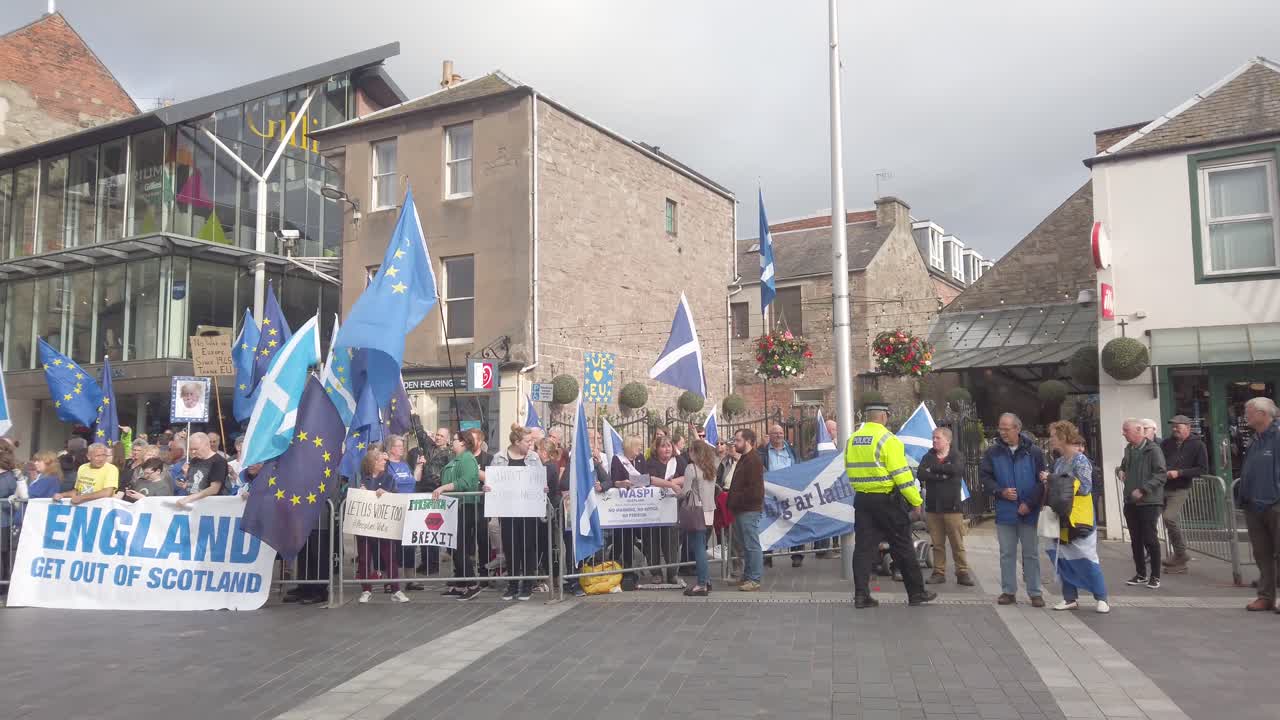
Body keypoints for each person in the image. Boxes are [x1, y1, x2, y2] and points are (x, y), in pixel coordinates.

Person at [847, 403, 934, 608]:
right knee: (903, 547)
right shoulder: (888, 439)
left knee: (863, 549)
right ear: (884, 416)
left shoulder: (852, 440)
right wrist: (916, 502)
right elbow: (902, 476)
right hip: (887, 501)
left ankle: (861, 595)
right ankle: (916, 593)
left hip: (862, 500)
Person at [1041, 421, 1109, 613]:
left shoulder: (1080, 460)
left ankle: (1101, 597)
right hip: (1062, 516)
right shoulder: (1060, 461)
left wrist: (1054, 479)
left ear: (1062, 437)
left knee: (1086, 556)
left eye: (1053, 436)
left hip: (1079, 516)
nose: (1051, 439)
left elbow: (1086, 487)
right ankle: (1069, 597)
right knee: (1062, 556)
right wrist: (1049, 480)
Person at [979, 412, 1045, 607]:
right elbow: (985, 478)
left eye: (1006, 429)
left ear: (1017, 428)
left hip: (1029, 512)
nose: (1003, 432)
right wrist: (1000, 492)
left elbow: (1041, 481)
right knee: (1006, 553)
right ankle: (1008, 591)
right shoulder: (993, 452)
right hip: (1005, 511)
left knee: (1031, 553)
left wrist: (1030, 504)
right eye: (1000, 428)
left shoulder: (1034, 452)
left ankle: (1035, 592)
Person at [434, 429, 489, 601]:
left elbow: (465, 482)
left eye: (455, 440)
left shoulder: (467, 459)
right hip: (455, 507)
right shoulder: (457, 459)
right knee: (455, 547)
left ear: (464, 443)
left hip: (465, 507)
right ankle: (460, 584)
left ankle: (472, 584)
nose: (453, 442)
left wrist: (443, 488)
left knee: (460, 548)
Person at [491, 424, 544, 601]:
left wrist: (542, 487)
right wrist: (488, 487)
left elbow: (539, 480)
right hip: (508, 510)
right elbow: (493, 481)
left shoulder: (534, 458)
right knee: (510, 546)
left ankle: (527, 584)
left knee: (527, 547)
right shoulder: (499, 458)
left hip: (528, 509)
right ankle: (513, 584)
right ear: (516, 441)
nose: (530, 444)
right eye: (527, 441)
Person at [1238, 397, 1280, 612]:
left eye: (1250, 412)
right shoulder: (1256, 439)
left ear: (1263, 414)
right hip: (1254, 505)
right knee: (1262, 553)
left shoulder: (1277, 436)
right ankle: (1265, 596)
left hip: (1275, 503)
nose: (1246, 416)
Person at [918, 426, 973, 586]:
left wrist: (934, 471)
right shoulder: (928, 456)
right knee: (937, 542)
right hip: (933, 507)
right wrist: (943, 474)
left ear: (947, 440)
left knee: (957, 542)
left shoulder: (957, 456)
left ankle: (962, 572)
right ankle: (938, 572)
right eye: (933, 438)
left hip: (952, 508)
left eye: (938, 438)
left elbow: (956, 470)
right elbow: (921, 474)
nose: (934, 440)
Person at [356, 450, 410, 604]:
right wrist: (360, 493)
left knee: (390, 557)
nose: (384, 463)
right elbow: (350, 495)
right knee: (364, 558)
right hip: (365, 524)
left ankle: (396, 589)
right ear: (373, 462)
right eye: (381, 460)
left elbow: (396, 496)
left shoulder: (388, 478)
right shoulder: (362, 478)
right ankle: (366, 590)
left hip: (384, 525)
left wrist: (386, 493)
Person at [1119, 417, 1167, 589]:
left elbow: (1161, 474)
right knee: (1135, 539)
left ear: (1139, 430)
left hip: (1149, 501)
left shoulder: (1153, 450)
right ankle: (1140, 574)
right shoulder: (1129, 449)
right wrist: (1120, 471)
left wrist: (1144, 490)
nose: (1123, 433)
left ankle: (1155, 576)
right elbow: (1123, 466)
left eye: (1126, 430)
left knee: (1150, 538)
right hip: (1131, 501)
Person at [1160, 415, 1207, 574]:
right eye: (1173, 426)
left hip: (1180, 488)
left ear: (1188, 427)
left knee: (1169, 517)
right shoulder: (1166, 443)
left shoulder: (1198, 445)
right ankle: (1179, 561)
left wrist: (1179, 473)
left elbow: (1202, 469)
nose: (1174, 429)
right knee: (1164, 521)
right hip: (1162, 487)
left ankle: (1180, 554)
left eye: (1177, 426)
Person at [759, 423, 806, 568]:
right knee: (769, 523)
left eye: (780, 433)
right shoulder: (762, 453)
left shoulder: (792, 450)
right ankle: (767, 555)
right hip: (771, 494)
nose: (778, 435)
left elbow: (800, 467)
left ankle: (797, 555)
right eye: (775, 433)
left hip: (790, 492)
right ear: (769, 436)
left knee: (795, 523)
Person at [643, 435, 687, 585]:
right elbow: (650, 479)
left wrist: (672, 482)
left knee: (671, 541)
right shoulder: (651, 463)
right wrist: (670, 485)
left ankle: (672, 573)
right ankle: (656, 573)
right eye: (663, 446)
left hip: (672, 508)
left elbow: (686, 476)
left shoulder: (679, 461)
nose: (667, 449)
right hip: (653, 508)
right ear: (657, 449)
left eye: (669, 445)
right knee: (652, 540)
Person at [384, 435, 426, 591]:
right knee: (392, 547)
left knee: (409, 546)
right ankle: (391, 580)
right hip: (394, 511)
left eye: (402, 446)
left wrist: (419, 466)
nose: (402, 448)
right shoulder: (386, 465)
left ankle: (411, 579)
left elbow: (414, 480)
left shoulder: (404, 465)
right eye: (399, 446)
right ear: (391, 448)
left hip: (409, 510)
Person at [728, 429, 765, 592]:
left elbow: (754, 490)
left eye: (738, 440)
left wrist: (736, 498)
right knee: (744, 544)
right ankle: (748, 575)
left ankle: (754, 578)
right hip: (740, 509)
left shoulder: (754, 460)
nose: (735, 443)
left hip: (748, 509)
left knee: (751, 544)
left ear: (748, 441)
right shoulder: (744, 458)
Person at [682, 440, 719, 597]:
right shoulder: (712, 467)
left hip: (696, 511)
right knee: (701, 546)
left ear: (694, 452)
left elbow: (685, 492)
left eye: (690, 450)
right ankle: (707, 580)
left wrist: (673, 489)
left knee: (698, 549)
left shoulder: (691, 468)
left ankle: (702, 583)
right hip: (710, 510)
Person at [53, 443, 119, 505]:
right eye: (98, 456)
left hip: (100, 510)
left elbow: (107, 493)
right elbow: (77, 491)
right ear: (88, 456)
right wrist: (62, 495)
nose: (101, 459)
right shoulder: (83, 468)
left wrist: (82, 497)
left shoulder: (111, 469)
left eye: (104, 455)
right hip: (83, 509)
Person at [174, 433, 228, 508]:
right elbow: (192, 482)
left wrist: (189, 498)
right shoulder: (194, 460)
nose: (193, 452)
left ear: (206, 445)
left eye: (196, 449)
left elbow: (214, 488)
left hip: (210, 505)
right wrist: (184, 482)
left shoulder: (218, 461)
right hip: (193, 504)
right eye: (191, 449)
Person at [0, 443, 20, 592]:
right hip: (4, 521)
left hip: (4, 522)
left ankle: (4, 587)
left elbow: (13, 494)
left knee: (3, 556)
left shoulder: (8, 477)